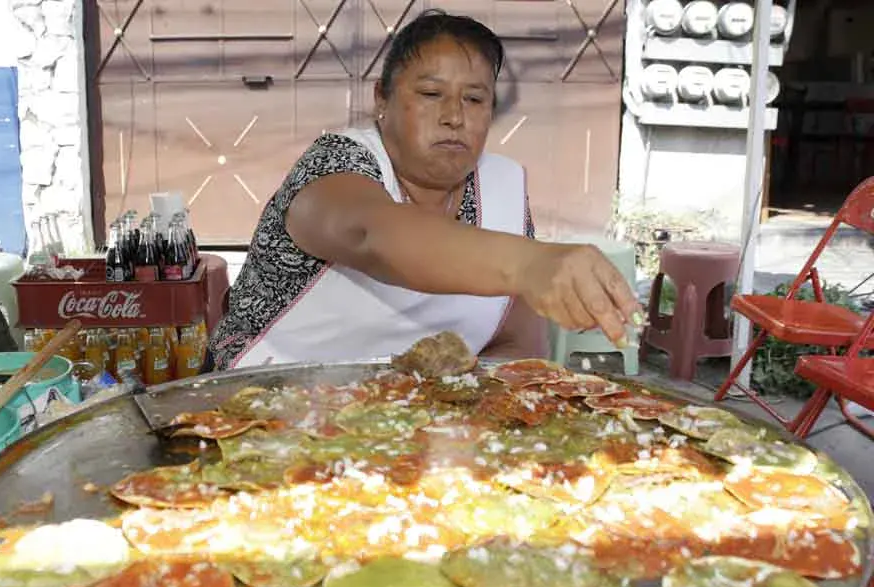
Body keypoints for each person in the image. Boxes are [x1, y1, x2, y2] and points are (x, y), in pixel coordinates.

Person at [208, 10, 639, 371]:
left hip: (411, 431)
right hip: (262, 404)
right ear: (382, 98)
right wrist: (531, 263)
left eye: (475, 99)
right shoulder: (336, 163)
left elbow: (516, 346)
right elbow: (370, 235)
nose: (454, 116)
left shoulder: (502, 189)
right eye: (431, 93)